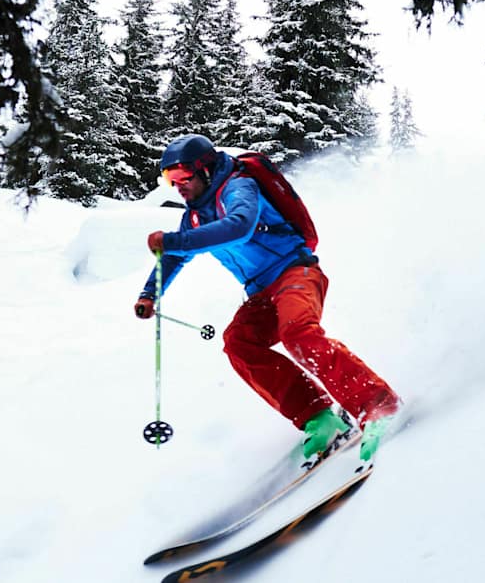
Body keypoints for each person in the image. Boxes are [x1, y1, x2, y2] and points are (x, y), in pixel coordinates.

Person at [134, 134, 401, 462]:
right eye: (169, 179)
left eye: (182, 177)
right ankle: (318, 416)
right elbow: (173, 257)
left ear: (204, 170)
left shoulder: (238, 187)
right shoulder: (194, 215)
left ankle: (378, 404)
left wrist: (175, 240)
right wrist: (150, 293)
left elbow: (240, 226)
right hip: (261, 292)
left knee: (297, 333)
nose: (177, 186)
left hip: (295, 272)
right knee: (238, 342)